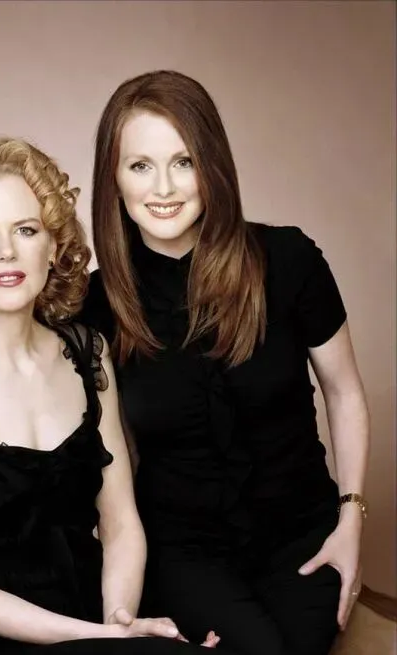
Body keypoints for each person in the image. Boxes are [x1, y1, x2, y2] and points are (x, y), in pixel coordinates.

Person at [0, 137, 229, 655]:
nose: (7, 251)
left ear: (53, 247)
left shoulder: (89, 354)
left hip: (99, 619)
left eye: (26, 230)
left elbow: (120, 523)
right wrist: (105, 640)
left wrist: (119, 621)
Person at [80, 70, 370, 655]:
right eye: (140, 165)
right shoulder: (96, 303)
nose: (163, 187)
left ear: (212, 166)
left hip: (302, 536)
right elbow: (110, 456)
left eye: (183, 162)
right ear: (113, 177)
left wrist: (351, 519)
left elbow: (344, 393)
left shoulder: (288, 259)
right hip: (184, 551)